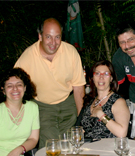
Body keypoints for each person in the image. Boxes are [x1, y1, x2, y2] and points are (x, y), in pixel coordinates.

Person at [14, 18, 86, 148]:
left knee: (71, 145)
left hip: (68, 103)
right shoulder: (28, 56)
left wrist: (81, 119)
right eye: (48, 37)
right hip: (43, 107)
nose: (53, 42)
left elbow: (79, 88)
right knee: (50, 147)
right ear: (40, 36)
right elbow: (14, 86)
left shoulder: (70, 52)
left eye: (57, 37)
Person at [77, 60, 130, 139]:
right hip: (88, 148)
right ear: (92, 78)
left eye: (106, 74)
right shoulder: (89, 100)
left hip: (108, 149)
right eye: (97, 73)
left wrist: (101, 115)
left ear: (111, 78)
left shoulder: (118, 102)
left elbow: (122, 133)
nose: (101, 77)